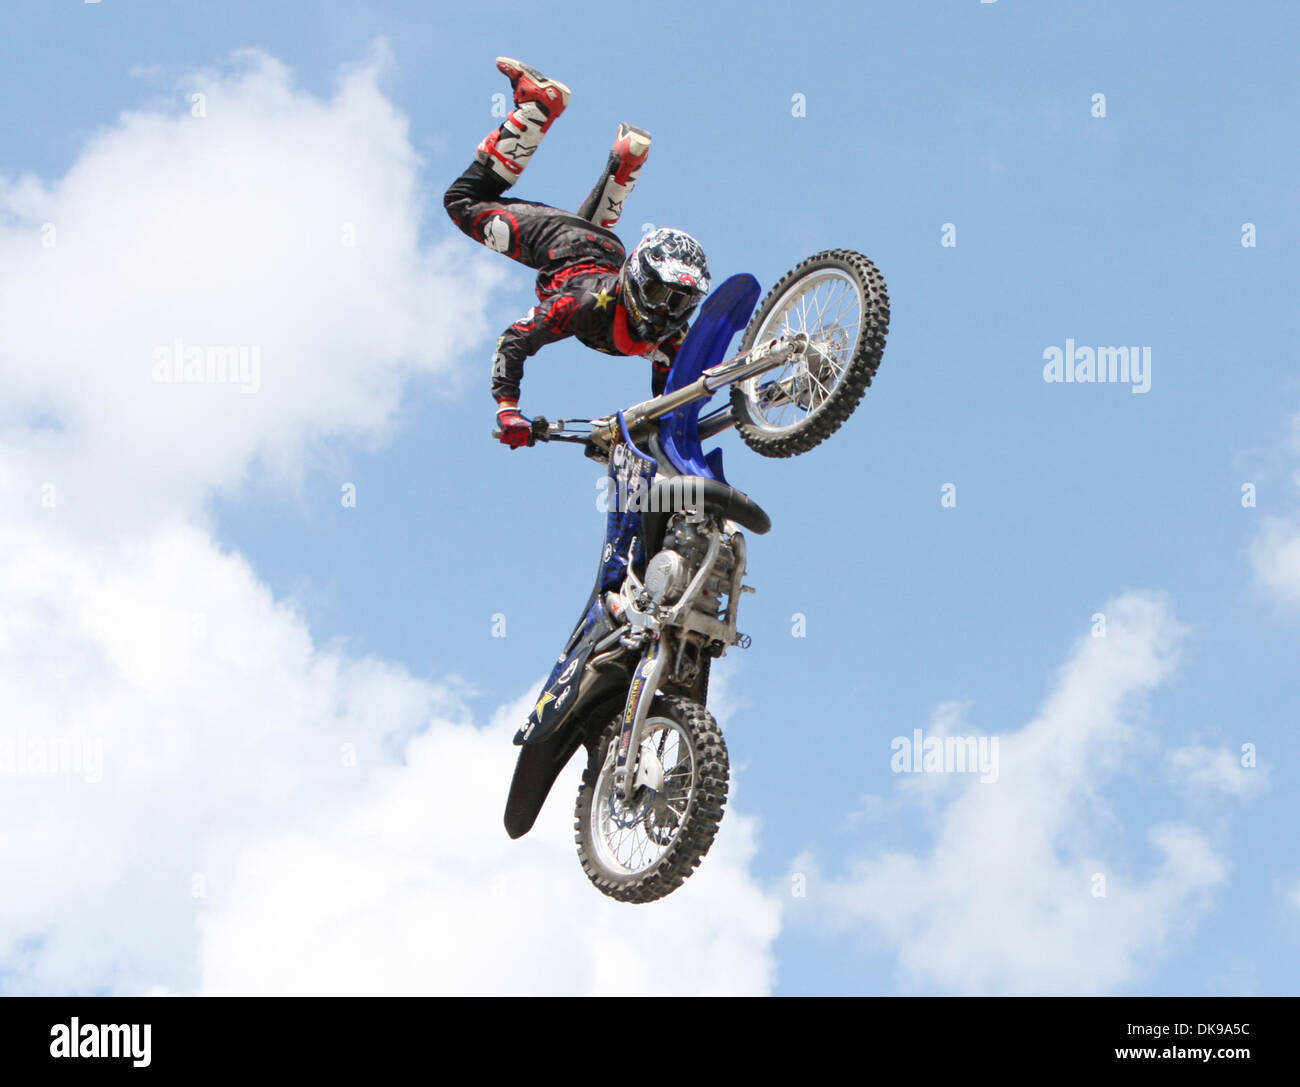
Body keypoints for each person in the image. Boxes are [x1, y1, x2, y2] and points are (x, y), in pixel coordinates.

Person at [443, 58, 711, 448]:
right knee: (462, 201)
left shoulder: (671, 337)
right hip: (561, 242)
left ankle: (624, 168)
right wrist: (507, 409)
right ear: (637, 281)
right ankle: (536, 108)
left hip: (604, 253)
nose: (665, 310)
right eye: (658, 294)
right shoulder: (580, 306)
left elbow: (667, 403)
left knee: (586, 243)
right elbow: (513, 340)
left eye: (678, 300)